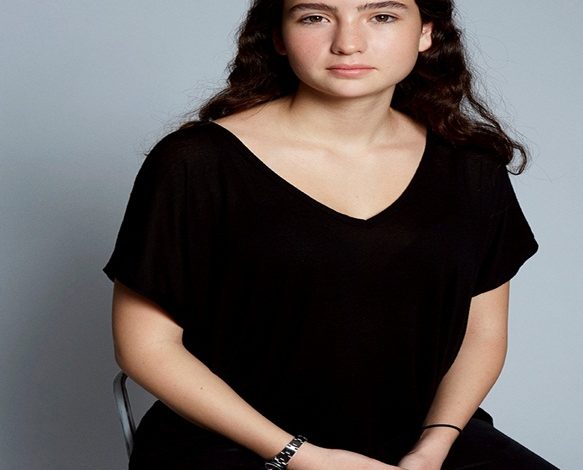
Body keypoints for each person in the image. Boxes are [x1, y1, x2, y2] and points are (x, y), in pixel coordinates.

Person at [103, 0, 559, 468]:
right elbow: (145, 347)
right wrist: (301, 456)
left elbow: (481, 334)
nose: (348, 43)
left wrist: (433, 447)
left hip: (422, 439)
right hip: (235, 440)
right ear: (278, 36)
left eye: (382, 16)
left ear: (427, 32)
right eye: (315, 17)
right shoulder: (195, 163)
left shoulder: (471, 166)